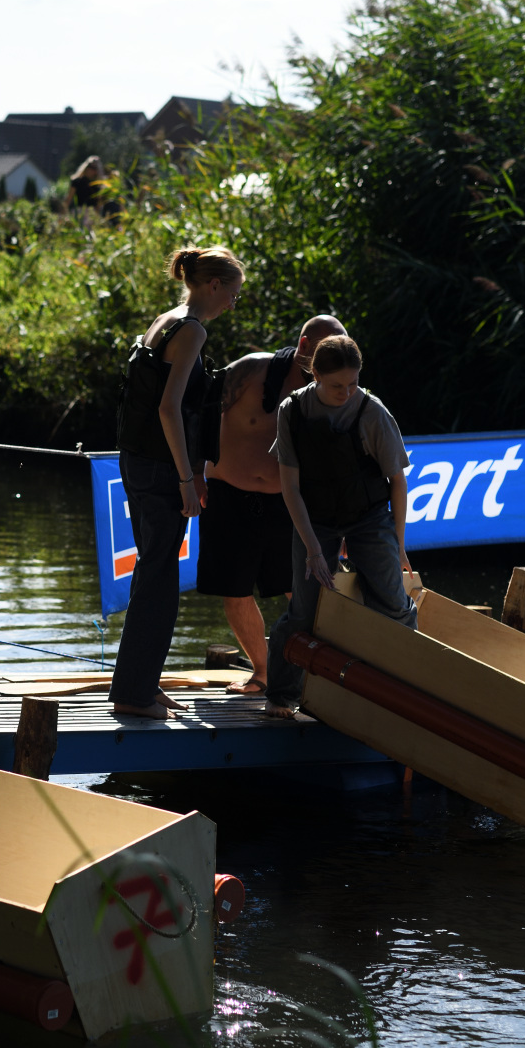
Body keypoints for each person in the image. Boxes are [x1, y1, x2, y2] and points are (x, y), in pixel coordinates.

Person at [108, 246, 244, 720]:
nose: (233, 302)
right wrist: (188, 478)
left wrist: (194, 471)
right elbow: (169, 408)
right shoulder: (192, 331)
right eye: (234, 293)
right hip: (162, 467)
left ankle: (140, 684)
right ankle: (133, 693)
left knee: (153, 573)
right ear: (213, 285)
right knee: (159, 580)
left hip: (138, 459)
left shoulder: (166, 319)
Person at [263, 335, 417, 719]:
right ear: (313, 374)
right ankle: (281, 694)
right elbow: (289, 488)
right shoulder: (291, 411)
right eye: (336, 386)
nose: (346, 393)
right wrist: (314, 550)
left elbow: (397, 482)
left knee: (393, 604)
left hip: (369, 516)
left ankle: (404, 688)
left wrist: (398, 543)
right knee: (304, 611)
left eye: (353, 384)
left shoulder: (372, 412)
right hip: (314, 517)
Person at [199, 315, 345, 694]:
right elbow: (198, 416)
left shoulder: (332, 392)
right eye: (325, 350)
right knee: (235, 590)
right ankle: (262, 672)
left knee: (303, 590)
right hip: (228, 493)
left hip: (287, 500)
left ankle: (309, 675)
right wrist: (192, 475)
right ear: (304, 345)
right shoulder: (250, 370)